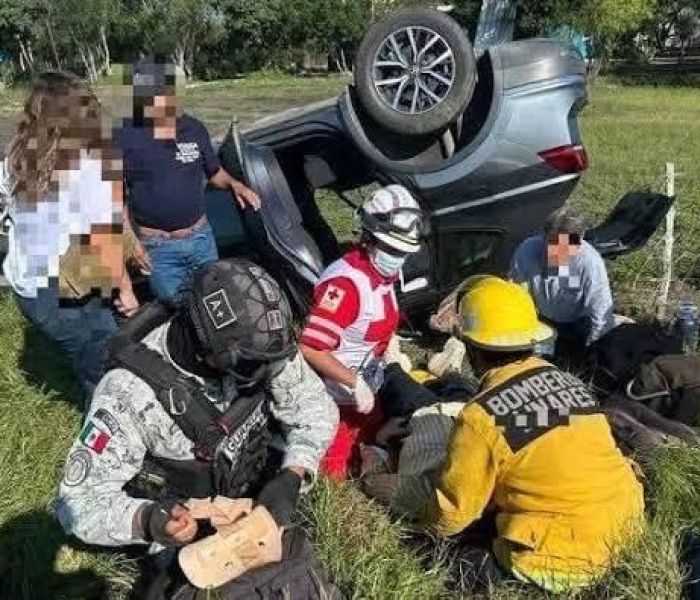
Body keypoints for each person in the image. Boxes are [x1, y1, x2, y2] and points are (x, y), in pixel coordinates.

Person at [54, 259, 337, 560]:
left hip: (251, 487)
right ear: (204, 349)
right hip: (188, 525)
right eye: (247, 366)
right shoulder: (127, 395)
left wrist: (294, 473)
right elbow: (77, 504)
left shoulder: (259, 347)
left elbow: (316, 407)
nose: (266, 371)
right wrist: (148, 520)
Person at [417, 276, 644, 592]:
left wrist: (416, 517)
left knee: (446, 551)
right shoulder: (570, 383)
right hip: (625, 526)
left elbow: (453, 514)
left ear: (471, 349)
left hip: (561, 556)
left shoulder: (479, 418)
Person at [2, 71, 138, 400]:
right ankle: (103, 430)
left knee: (86, 352)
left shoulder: (16, 159)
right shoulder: (90, 166)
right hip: (66, 282)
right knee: (108, 363)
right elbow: (106, 240)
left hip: (30, 289)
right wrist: (127, 292)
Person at [299, 184, 439, 478]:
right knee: (336, 474)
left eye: (403, 252)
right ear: (368, 239)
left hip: (366, 389)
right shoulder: (346, 285)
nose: (397, 258)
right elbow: (311, 347)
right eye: (391, 250)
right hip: (335, 398)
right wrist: (354, 383)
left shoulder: (384, 274)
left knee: (389, 446)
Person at [115, 59, 261, 304]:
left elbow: (214, 172)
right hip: (158, 248)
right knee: (176, 309)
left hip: (201, 239)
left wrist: (236, 185)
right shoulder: (122, 136)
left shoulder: (194, 129)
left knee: (216, 305)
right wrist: (132, 242)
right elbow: (115, 197)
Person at [509, 207, 614, 346]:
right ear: (543, 236)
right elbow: (517, 294)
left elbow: (600, 311)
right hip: (540, 319)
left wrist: (592, 349)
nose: (559, 255)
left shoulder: (591, 263)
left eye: (567, 248)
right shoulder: (526, 251)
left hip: (576, 323)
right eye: (553, 246)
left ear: (579, 243)